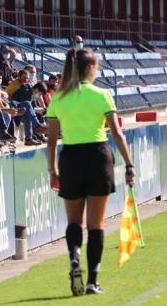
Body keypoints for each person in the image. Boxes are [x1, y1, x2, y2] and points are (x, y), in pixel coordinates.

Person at [46, 48, 134, 296]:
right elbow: (116, 133)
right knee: (96, 224)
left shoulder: (58, 98)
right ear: (91, 68)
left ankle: (74, 257)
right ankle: (93, 281)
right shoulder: (102, 95)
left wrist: (52, 169)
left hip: (70, 158)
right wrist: (129, 164)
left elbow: (51, 140)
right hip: (98, 157)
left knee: (74, 221)